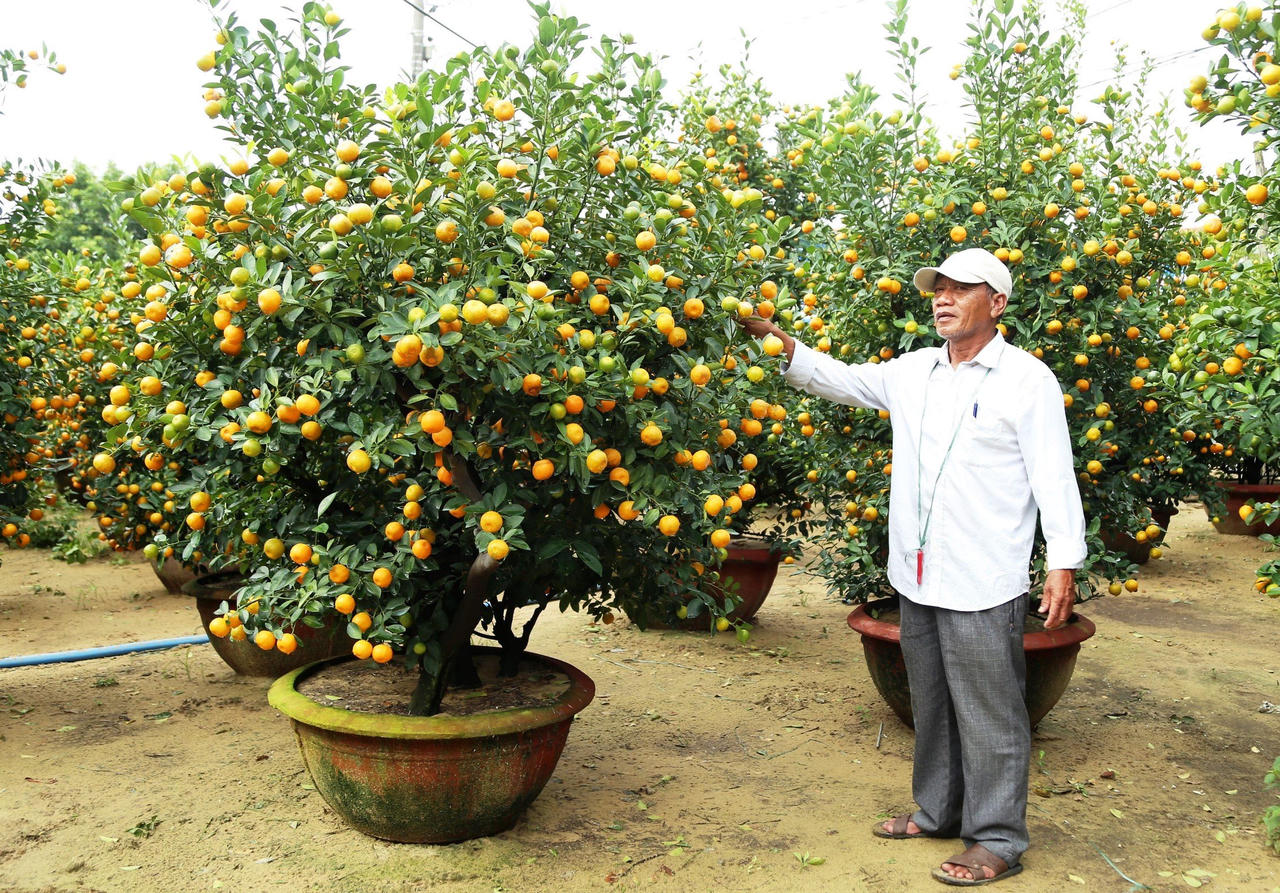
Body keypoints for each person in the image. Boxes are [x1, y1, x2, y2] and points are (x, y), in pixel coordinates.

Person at [739, 247, 1086, 886]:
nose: (943, 299)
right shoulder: (915, 371)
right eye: (938, 289)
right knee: (932, 702)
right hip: (918, 571)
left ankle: (998, 838)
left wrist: (1064, 560)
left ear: (998, 303)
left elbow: (1054, 475)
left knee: (990, 712)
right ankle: (938, 811)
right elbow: (838, 377)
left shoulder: (1026, 380)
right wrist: (774, 339)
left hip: (983, 576)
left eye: (960, 289)